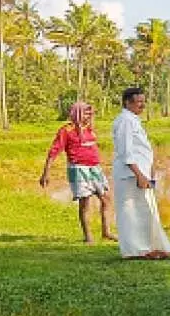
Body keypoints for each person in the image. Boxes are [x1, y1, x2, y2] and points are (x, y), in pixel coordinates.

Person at [39, 101, 117, 245]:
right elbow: (54, 151)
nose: (89, 115)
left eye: (90, 113)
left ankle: (106, 232)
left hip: (95, 169)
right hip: (78, 169)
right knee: (85, 202)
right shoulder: (66, 131)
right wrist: (46, 173)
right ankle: (88, 237)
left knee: (106, 198)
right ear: (78, 113)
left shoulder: (89, 129)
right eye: (86, 113)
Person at [112, 87, 170, 260]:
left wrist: (150, 170)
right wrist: (139, 174)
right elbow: (126, 151)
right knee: (132, 212)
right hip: (130, 174)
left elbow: (140, 149)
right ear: (127, 102)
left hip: (140, 173)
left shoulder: (133, 120)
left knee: (145, 209)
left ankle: (148, 246)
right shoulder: (125, 120)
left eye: (143, 101)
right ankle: (135, 250)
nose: (142, 105)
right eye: (138, 102)